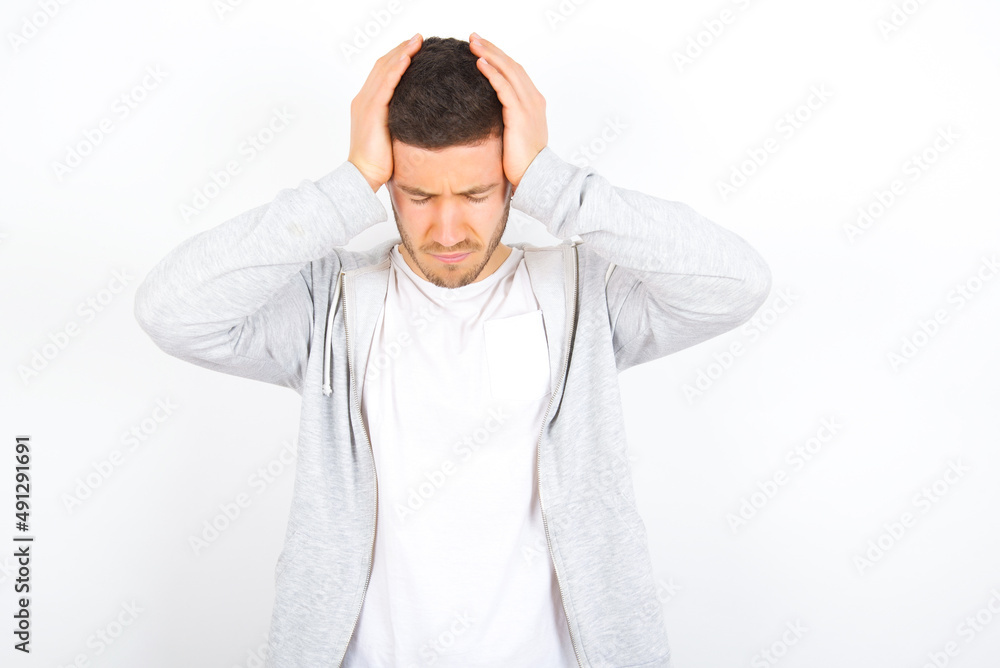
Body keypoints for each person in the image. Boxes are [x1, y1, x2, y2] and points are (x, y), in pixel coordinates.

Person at [134, 32, 772, 668]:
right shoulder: (328, 306)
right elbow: (171, 311)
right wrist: (346, 185)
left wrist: (555, 181)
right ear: (387, 187)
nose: (446, 231)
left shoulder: (586, 299)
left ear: (512, 182)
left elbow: (737, 284)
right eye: (417, 197)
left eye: (474, 195)